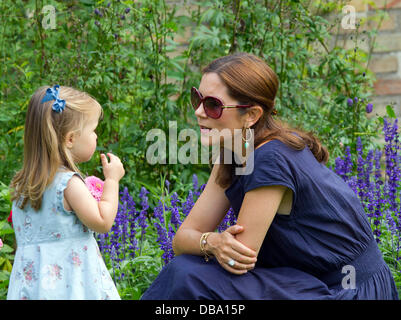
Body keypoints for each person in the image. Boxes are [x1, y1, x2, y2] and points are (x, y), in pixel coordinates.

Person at [141, 52, 399, 300]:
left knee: (188, 277)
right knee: (187, 269)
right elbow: (182, 239)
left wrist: (212, 245)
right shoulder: (233, 154)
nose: (198, 112)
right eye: (197, 99)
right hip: (307, 282)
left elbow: (238, 258)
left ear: (251, 115)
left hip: (347, 289)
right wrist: (213, 242)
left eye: (213, 105)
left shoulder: (269, 159)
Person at [7, 85, 125, 300]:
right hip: (71, 287)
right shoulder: (68, 184)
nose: (96, 136)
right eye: (92, 130)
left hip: (32, 288)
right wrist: (112, 181)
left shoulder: (21, 186)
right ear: (70, 139)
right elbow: (102, 221)